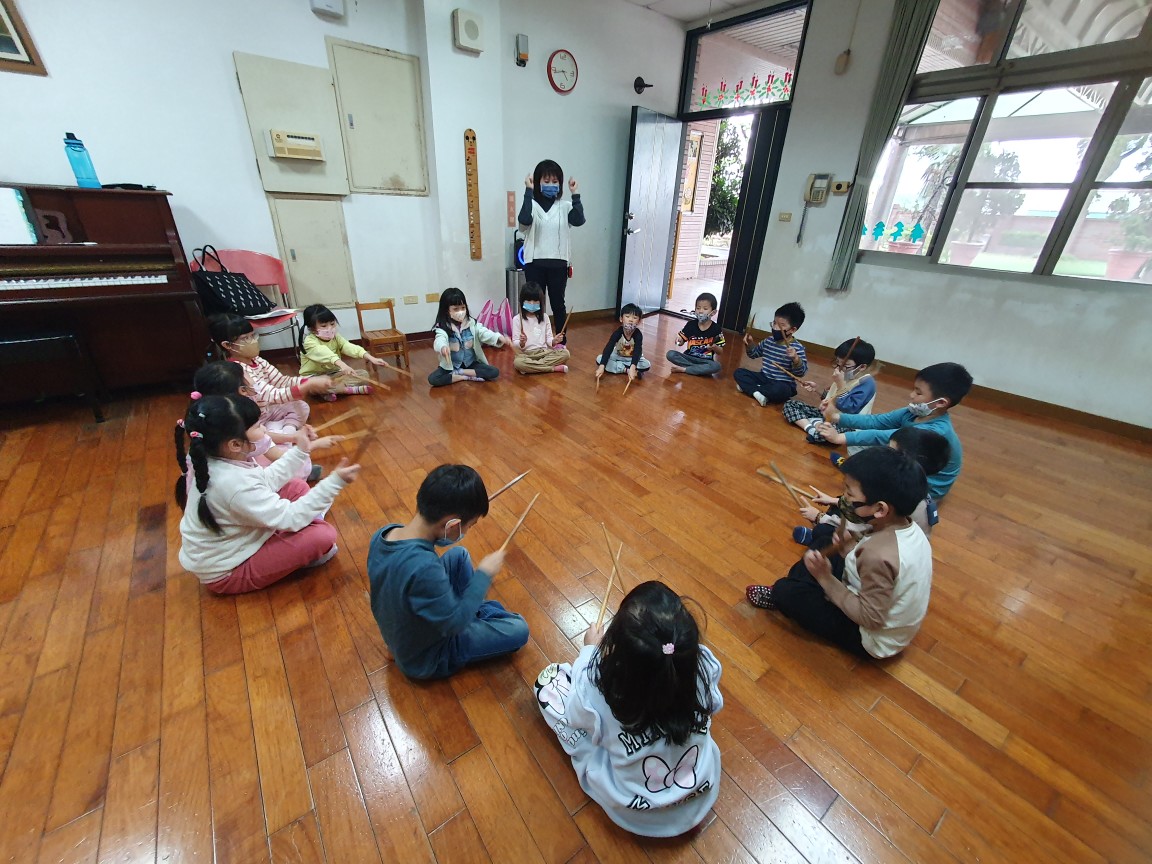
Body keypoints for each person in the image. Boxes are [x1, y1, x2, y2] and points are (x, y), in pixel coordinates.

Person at [534, 581, 722, 837]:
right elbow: (714, 706)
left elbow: (575, 715)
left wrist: (588, 652)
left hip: (637, 811)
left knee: (548, 683)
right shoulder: (705, 667)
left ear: (616, 645)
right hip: (699, 789)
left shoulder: (597, 689)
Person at [745, 447, 932, 659]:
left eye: (849, 493)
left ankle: (787, 591)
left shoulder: (877, 555)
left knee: (786, 592)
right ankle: (802, 584)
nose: (844, 498)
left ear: (880, 509)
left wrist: (825, 578)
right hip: (879, 602)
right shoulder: (908, 527)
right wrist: (847, 551)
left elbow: (870, 619)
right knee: (825, 540)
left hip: (872, 638)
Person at [175, 393, 358, 594]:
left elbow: (266, 479)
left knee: (296, 487)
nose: (264, 430)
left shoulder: (220, 458)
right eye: (258, 426)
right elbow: (290, 517)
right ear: (235, 444)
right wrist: (334, 482)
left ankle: (307, 524)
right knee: (323, 536)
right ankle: (305, 535)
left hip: (239, 538)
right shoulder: (234, 485)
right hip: (229, 571)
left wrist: (301, 451)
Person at [367, 464, 529, 679]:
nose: (468, 530)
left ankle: (471, 611)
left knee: (459, 555)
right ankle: (473, 614)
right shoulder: (424, 568)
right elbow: (454, 625)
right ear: (452, 526)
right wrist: (484, 575)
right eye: (470, 525)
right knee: (519, 629)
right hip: (428, 656)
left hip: (401, 635)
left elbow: (429, 544)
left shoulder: (386, 533)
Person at [818, 361, 972, 499]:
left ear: (941, 403)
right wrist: (836, 417)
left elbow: (883, 436)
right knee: (865, 450)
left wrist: (839, 438)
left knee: (870, 482)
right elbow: (878, 421)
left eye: (918, 392)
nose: (911, 395)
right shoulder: (913, 411)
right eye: (914, 389)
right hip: (909, 459)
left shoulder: (935, 431)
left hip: (927, 486)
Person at [792, 425, 951, 546]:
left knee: (825, 532)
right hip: (875, 533)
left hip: (874, 547)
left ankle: (819, 538)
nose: (884, 455)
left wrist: (819, 517)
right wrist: (833, 501)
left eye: (892, 452)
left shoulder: (898, 505)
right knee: (845, 502)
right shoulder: (911, 487)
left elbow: (862, 529)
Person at [189, 361, 343, 483]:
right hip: (251, 480)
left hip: (236, 474)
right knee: (300, 466)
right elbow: (277, 455)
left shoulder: (213, 418)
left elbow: (265, 435)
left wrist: (295, 437)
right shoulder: (242, 424)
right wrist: (312, 445)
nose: (252, 378)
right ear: (242, 391)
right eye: (247, 375)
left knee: (276, 431)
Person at [208, 313, 333, 432]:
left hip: (267, 410)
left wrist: (309, 381)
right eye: (245, 338)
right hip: (255, 421)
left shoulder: (257, 360)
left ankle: (286, 430)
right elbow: (273, 395)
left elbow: (282, 381)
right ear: (227, 345)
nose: (253, 341)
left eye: (252, 336)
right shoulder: (237, 371)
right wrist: (308, 385)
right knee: (260, 432)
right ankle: (282, 433)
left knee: (301, 406)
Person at [519, 159, 586, 341]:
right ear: (538, 182)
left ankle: (560, 341)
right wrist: (528, 191)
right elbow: (524, 220)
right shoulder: (531, 204)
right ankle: (536, 340)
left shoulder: (565, 206)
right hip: (534, 263)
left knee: (558, 304)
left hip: (559, 263)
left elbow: (579, 220)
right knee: (535, 304)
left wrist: (575, 194)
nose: (551, 185)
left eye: (555, 181)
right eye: (546, 181)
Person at [782, 338, 876, 442]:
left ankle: (815, 426)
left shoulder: (866, 383)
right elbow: (832, 398)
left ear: (862, 367)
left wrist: (840, 384)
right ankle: (812, 429)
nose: (839, 368)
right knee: (790, 404)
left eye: (845, 365)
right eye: (838, 363)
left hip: (848, 424)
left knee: (831, 433)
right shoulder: (845, 373)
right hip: (829, 416)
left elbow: (849, 408)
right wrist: (817, 390)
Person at [298, 303, 391, 399]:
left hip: (333, 374)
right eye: (324, 326)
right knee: (313, 386)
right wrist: (343, 365)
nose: (330, 328)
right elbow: (325, 353)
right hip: (313, 377)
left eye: (332, 324)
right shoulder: (309, 342)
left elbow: (348, 346)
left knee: (363, 374)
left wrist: (371, 358)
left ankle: (332, 390)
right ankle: (346, 390)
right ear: (312, 329)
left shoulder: (336, 337)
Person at [429, 288, 509, 387]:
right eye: (456, 309)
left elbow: (483, 332)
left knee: (494, 372)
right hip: (452, 366)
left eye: (463, 308)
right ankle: (464, 376)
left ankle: (460, 373)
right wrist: (443, 347)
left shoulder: (472, 323)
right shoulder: (442, 327)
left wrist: (498, 337)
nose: (460, 312)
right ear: (446, 310)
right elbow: (440, 339)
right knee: (433, 379)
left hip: (470, 364)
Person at [734, 302, 807, 406]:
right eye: (774, 323)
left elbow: (801, 373)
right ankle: (758, 392)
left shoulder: (797, 348)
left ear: (792, 329)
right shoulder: (768, 341)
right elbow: (753, 354)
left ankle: (751, 388)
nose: (775, 327)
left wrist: (795, 358)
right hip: (764, 377)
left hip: (782, 383)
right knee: (739, 372)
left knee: (781, 390)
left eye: (781, 325)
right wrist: (750, 344)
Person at [512, 282, 570, 374]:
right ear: (522, 301)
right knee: (518, 363)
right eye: (528, 301)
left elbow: (549, 339)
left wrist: (554, 341)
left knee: (566, 354)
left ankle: (532, 367)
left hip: (544, 352)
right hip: (526, 354)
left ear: (540, 302)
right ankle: (553, 368)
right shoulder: (516, 319)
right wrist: (521, 342)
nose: (532, 303)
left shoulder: (545, 317)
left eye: (535, 301)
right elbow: (515, 343)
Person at [666, 292, 725, 377]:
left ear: (713, 312)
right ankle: (699, 369)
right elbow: (681, 342)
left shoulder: (716, 329)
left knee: (716, 366)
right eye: (698, 308)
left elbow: (720, 352)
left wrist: (714, 347)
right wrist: (678, 340)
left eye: (705, 308)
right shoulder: (691, 325)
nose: (700, 311)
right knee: (670, 354)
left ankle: (685, 369)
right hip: (689, 357)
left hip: (705, 360)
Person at [595, 303, 650, 381]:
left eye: (635, 318)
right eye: (627, 316)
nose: (630, 320)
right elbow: (609, 347)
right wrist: (601, 366)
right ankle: (626, 370)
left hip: (632, 358)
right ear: (621, 319)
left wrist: (633, 366)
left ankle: (623, 368)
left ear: (639, 321)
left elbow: (638, 351)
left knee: (646, 364)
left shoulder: (638, 335)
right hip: (618, 356)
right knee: (600, 359)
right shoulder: (617, 333)